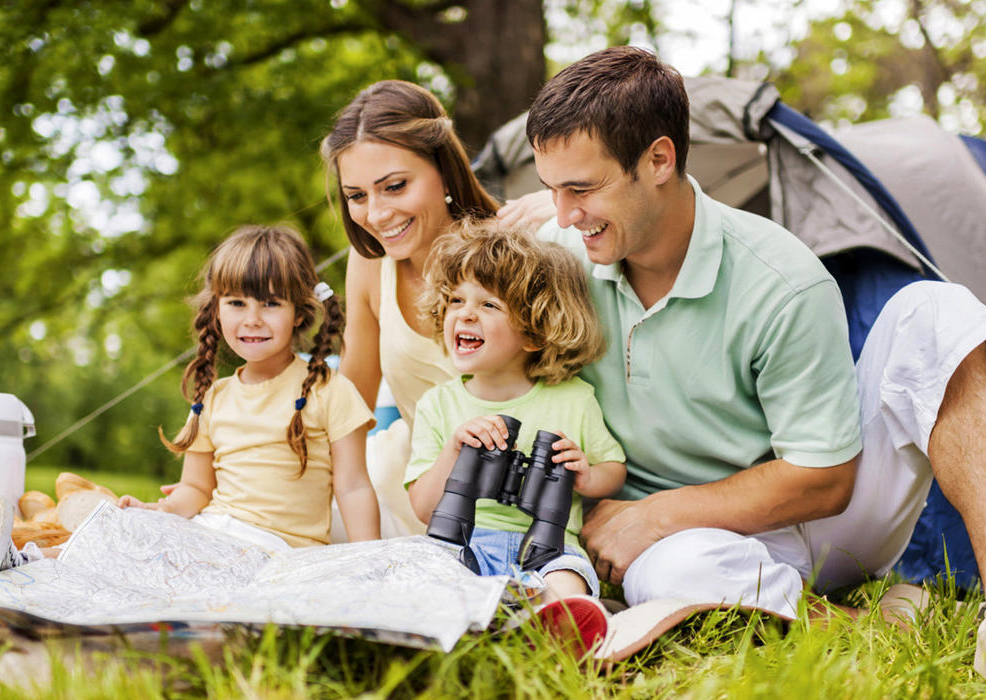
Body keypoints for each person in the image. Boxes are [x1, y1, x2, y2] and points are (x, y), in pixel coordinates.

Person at [520, 45, 986, 689]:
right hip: (699, 553)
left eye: (582, 188)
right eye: (551, 190)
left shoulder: (780, 277)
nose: (564, 214)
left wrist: (655, 514)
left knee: (936, 310)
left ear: (659, 159)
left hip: (824, 518)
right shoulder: (559, 255)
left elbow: (826, 480)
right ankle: (869, 622)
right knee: (669, 573)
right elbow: (461, 281)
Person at [404, 219, 626, 652]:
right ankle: (479, 627)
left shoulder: (574, 399)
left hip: (549, 545)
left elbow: (613, 469)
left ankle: (554, 624)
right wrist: (455, 449)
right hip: (462, 542)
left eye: (489, 305)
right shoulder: (439, 406)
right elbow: (423, 509)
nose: (465, 314)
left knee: (568, 577)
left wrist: (586, 475)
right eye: (455, 301)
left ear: (533, 332)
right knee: (425, 568)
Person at [119, 225, 380, 552]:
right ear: (216, 309)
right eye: (237, 303)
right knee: (114, 541)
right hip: (213, 535)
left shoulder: (330, 391)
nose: (253, 319)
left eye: (270, 304)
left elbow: (353, 487)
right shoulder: (213, 398)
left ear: (298, 313)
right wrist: (161, 511)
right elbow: (196, 488)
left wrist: (371, 560)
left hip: (280, 554)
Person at [320, 80, 502, 538]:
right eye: (357, 195)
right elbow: (351, 407)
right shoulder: (369, 266)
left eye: (395, 186)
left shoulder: (509, 253)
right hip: (410, 483)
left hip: (509, 496)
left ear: (443, 168)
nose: (377, 214)